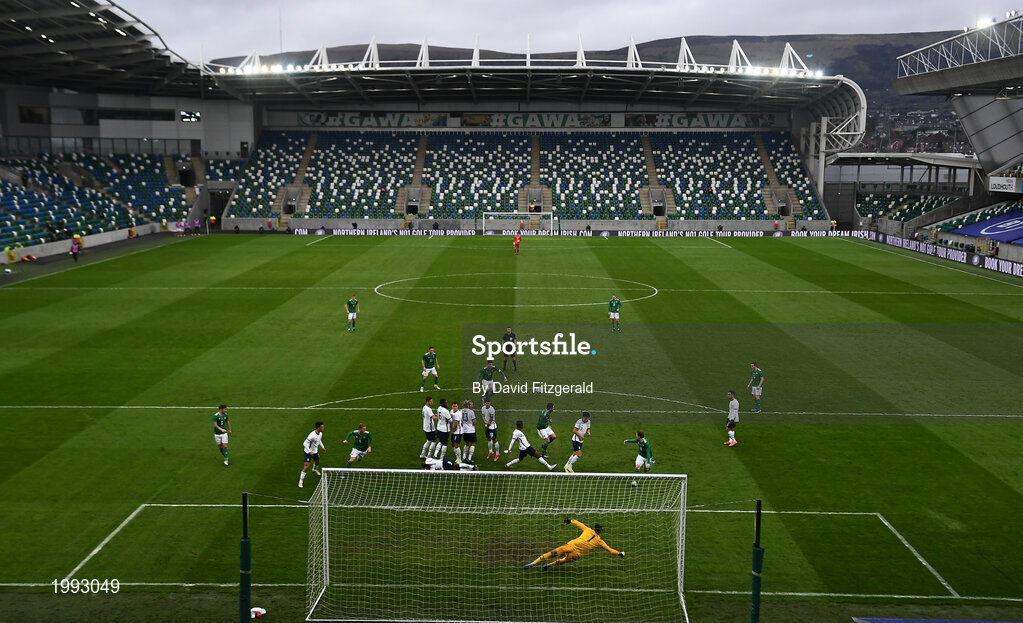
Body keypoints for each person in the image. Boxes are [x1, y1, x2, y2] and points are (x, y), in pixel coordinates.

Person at [523, 517, 625, 571]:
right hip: (577, 555)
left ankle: (533, 563)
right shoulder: (600, 542)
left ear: (594, 529)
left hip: (571, 546)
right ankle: (549, 565)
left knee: (552, 553)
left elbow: (579, 524)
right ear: (600, 532)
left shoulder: (588, 530)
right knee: (564, 560)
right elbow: (610, 550)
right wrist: (619, 553)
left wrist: (570, 521)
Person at [299, 422, 325, 488]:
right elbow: (304, 443)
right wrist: (309, 451)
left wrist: (323, 447)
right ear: (318, 428)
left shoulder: (320, 433)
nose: (323, 428)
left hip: (315, 452)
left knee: (317, 462)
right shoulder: (312, 435)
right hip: (308, 452)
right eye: (322, 427)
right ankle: (301, 481)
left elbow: (319, 440)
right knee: (306, 467)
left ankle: (314, 469)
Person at [482, 397, 500, 461]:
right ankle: (490, 452)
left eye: (488, 403)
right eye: (486, 403)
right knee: (488, 439)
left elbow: (491, 418)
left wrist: (488, 424)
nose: (487, 404)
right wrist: (485, 422)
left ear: (490, 403)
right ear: (485, 403)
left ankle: (497, 454)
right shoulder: (483, 408)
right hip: (486, 425)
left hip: (492, 426)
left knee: (494, 440)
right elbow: (483, 415)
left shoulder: (492, 409)